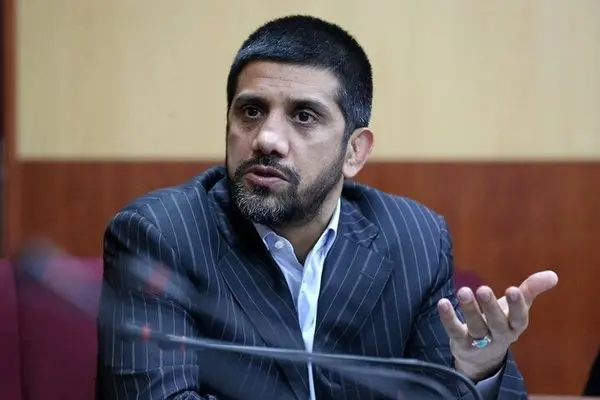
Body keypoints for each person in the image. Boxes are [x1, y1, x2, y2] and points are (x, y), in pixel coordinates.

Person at [95, 15, 558, 400]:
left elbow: (442, 389)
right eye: (251, 111)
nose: (267, 139)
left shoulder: (414, 239)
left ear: (354, 151)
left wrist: (477, 370)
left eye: (303, 116)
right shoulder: (160, 235)